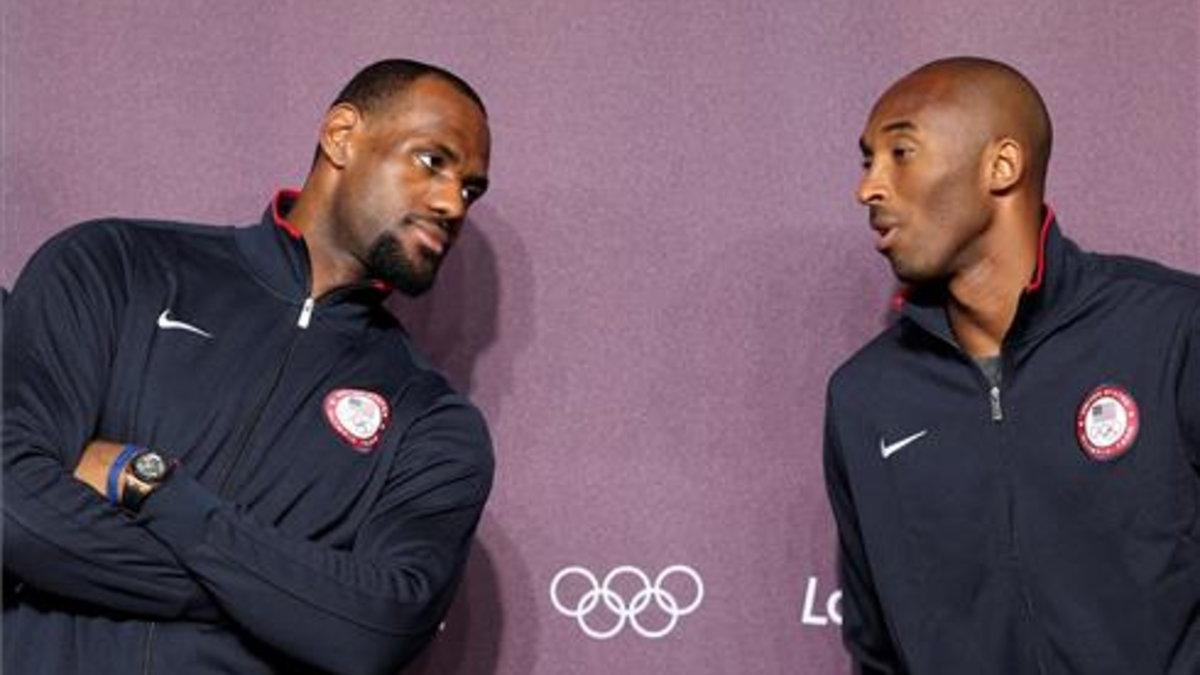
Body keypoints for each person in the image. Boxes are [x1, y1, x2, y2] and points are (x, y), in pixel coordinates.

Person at [3, 59, 495, 674]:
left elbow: (375, 627)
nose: (453, 203)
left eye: (471, 189)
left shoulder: (433, 424)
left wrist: (150, 486)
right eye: (433, 161)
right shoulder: (115, 266)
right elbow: (15, 511)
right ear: (342, 135)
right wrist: (270, 599)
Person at [824, 56, 1200, 674]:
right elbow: (877, 650)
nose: (869, 188)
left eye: (901, 153)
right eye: (868, 161)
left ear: (1001, 166)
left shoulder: (1171, 332)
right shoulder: (865, 399)